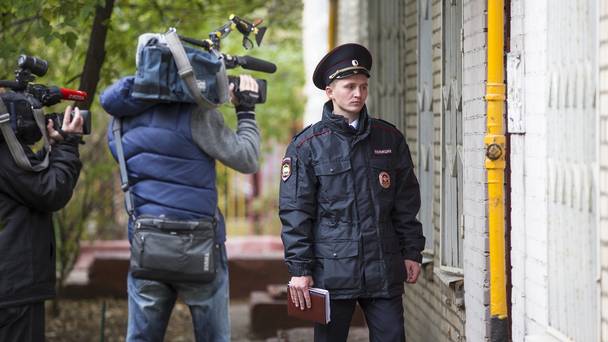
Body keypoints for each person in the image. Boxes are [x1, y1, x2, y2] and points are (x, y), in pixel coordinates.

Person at [100, 45, 260, 341]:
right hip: (199, 246)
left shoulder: (119, 120)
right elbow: (247, 159)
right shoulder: (198, 115)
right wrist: (246, 110)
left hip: (147, 243)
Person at [279, 43, 425, 342]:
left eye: (363, 86)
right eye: (349, 86)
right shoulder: (308, 146)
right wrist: (300, 269)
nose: (358, 93)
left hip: (383, 265)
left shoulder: (389, 138)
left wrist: (412, 251)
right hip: (332, 268)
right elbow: (296, 212)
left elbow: (406, 203)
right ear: (330, 91)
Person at [0, 104, 84, 341]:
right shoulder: (4, 155)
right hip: (13, 291)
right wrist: (68, 144)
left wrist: (54, 147)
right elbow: (51, 190)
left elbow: (26, 182)